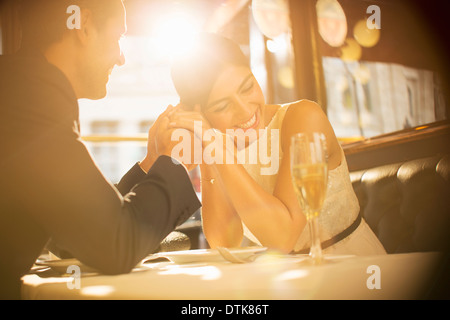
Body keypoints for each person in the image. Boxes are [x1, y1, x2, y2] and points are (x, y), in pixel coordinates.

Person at [0, 0, 201, 299]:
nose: (121, 58)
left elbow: (74, 235)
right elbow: (114, 245)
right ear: (83, 26)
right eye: (118, 37)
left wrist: (151, 163)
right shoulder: (31, 98)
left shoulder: (21, 86)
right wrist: (176, 158)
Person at [169, 33, 386, 256]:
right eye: (223, 106)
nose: (245, 110)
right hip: (291, 280)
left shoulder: (304, 118)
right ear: (202, 114)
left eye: (247, 87)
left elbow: (283, 238)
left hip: (351, 265)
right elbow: (224, 242)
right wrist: (209, 147)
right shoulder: (218, 143)